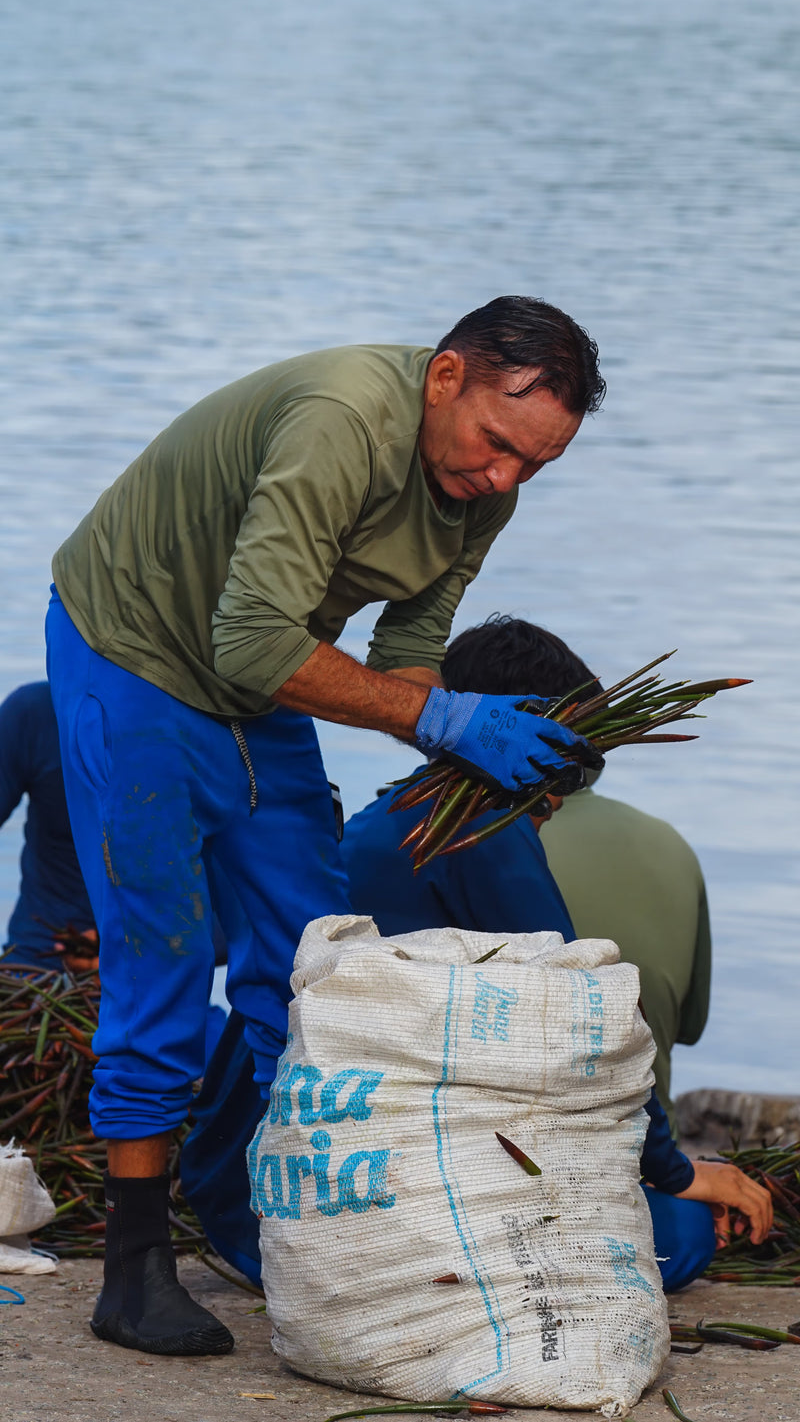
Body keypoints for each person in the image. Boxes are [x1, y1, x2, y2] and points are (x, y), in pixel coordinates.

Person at [46, 296, 606, 1355]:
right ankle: (131, 1273)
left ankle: (291, 1227)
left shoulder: (480, 492)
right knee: (161, 958)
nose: (502, 481)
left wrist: (481, 753)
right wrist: (443, 718)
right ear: (445, 377)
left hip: (257, 679)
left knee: (313, 962)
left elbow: (405, 656)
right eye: (495, 445)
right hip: (135, 653)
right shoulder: (339, 419)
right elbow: (258, 642)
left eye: (532, 466)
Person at [343, 616, 771, 1292]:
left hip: (368, 1144)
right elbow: (588, 1025)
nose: (554, 803)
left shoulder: (377, 819)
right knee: (679, 1233)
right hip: (417, 1177)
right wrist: (679, 1171)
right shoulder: (485, 828)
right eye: (558, 781)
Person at [541, 771, 711, 1138]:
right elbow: (691, 1025)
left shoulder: (478, 843)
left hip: (526, 1146)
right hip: (651, 1144)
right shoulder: (670, 842)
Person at [0, 682, 96, 970]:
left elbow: (231, 920)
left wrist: (124, 949)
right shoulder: (35, 712)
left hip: (151, 973)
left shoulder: (188, 723)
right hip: (36, 959)